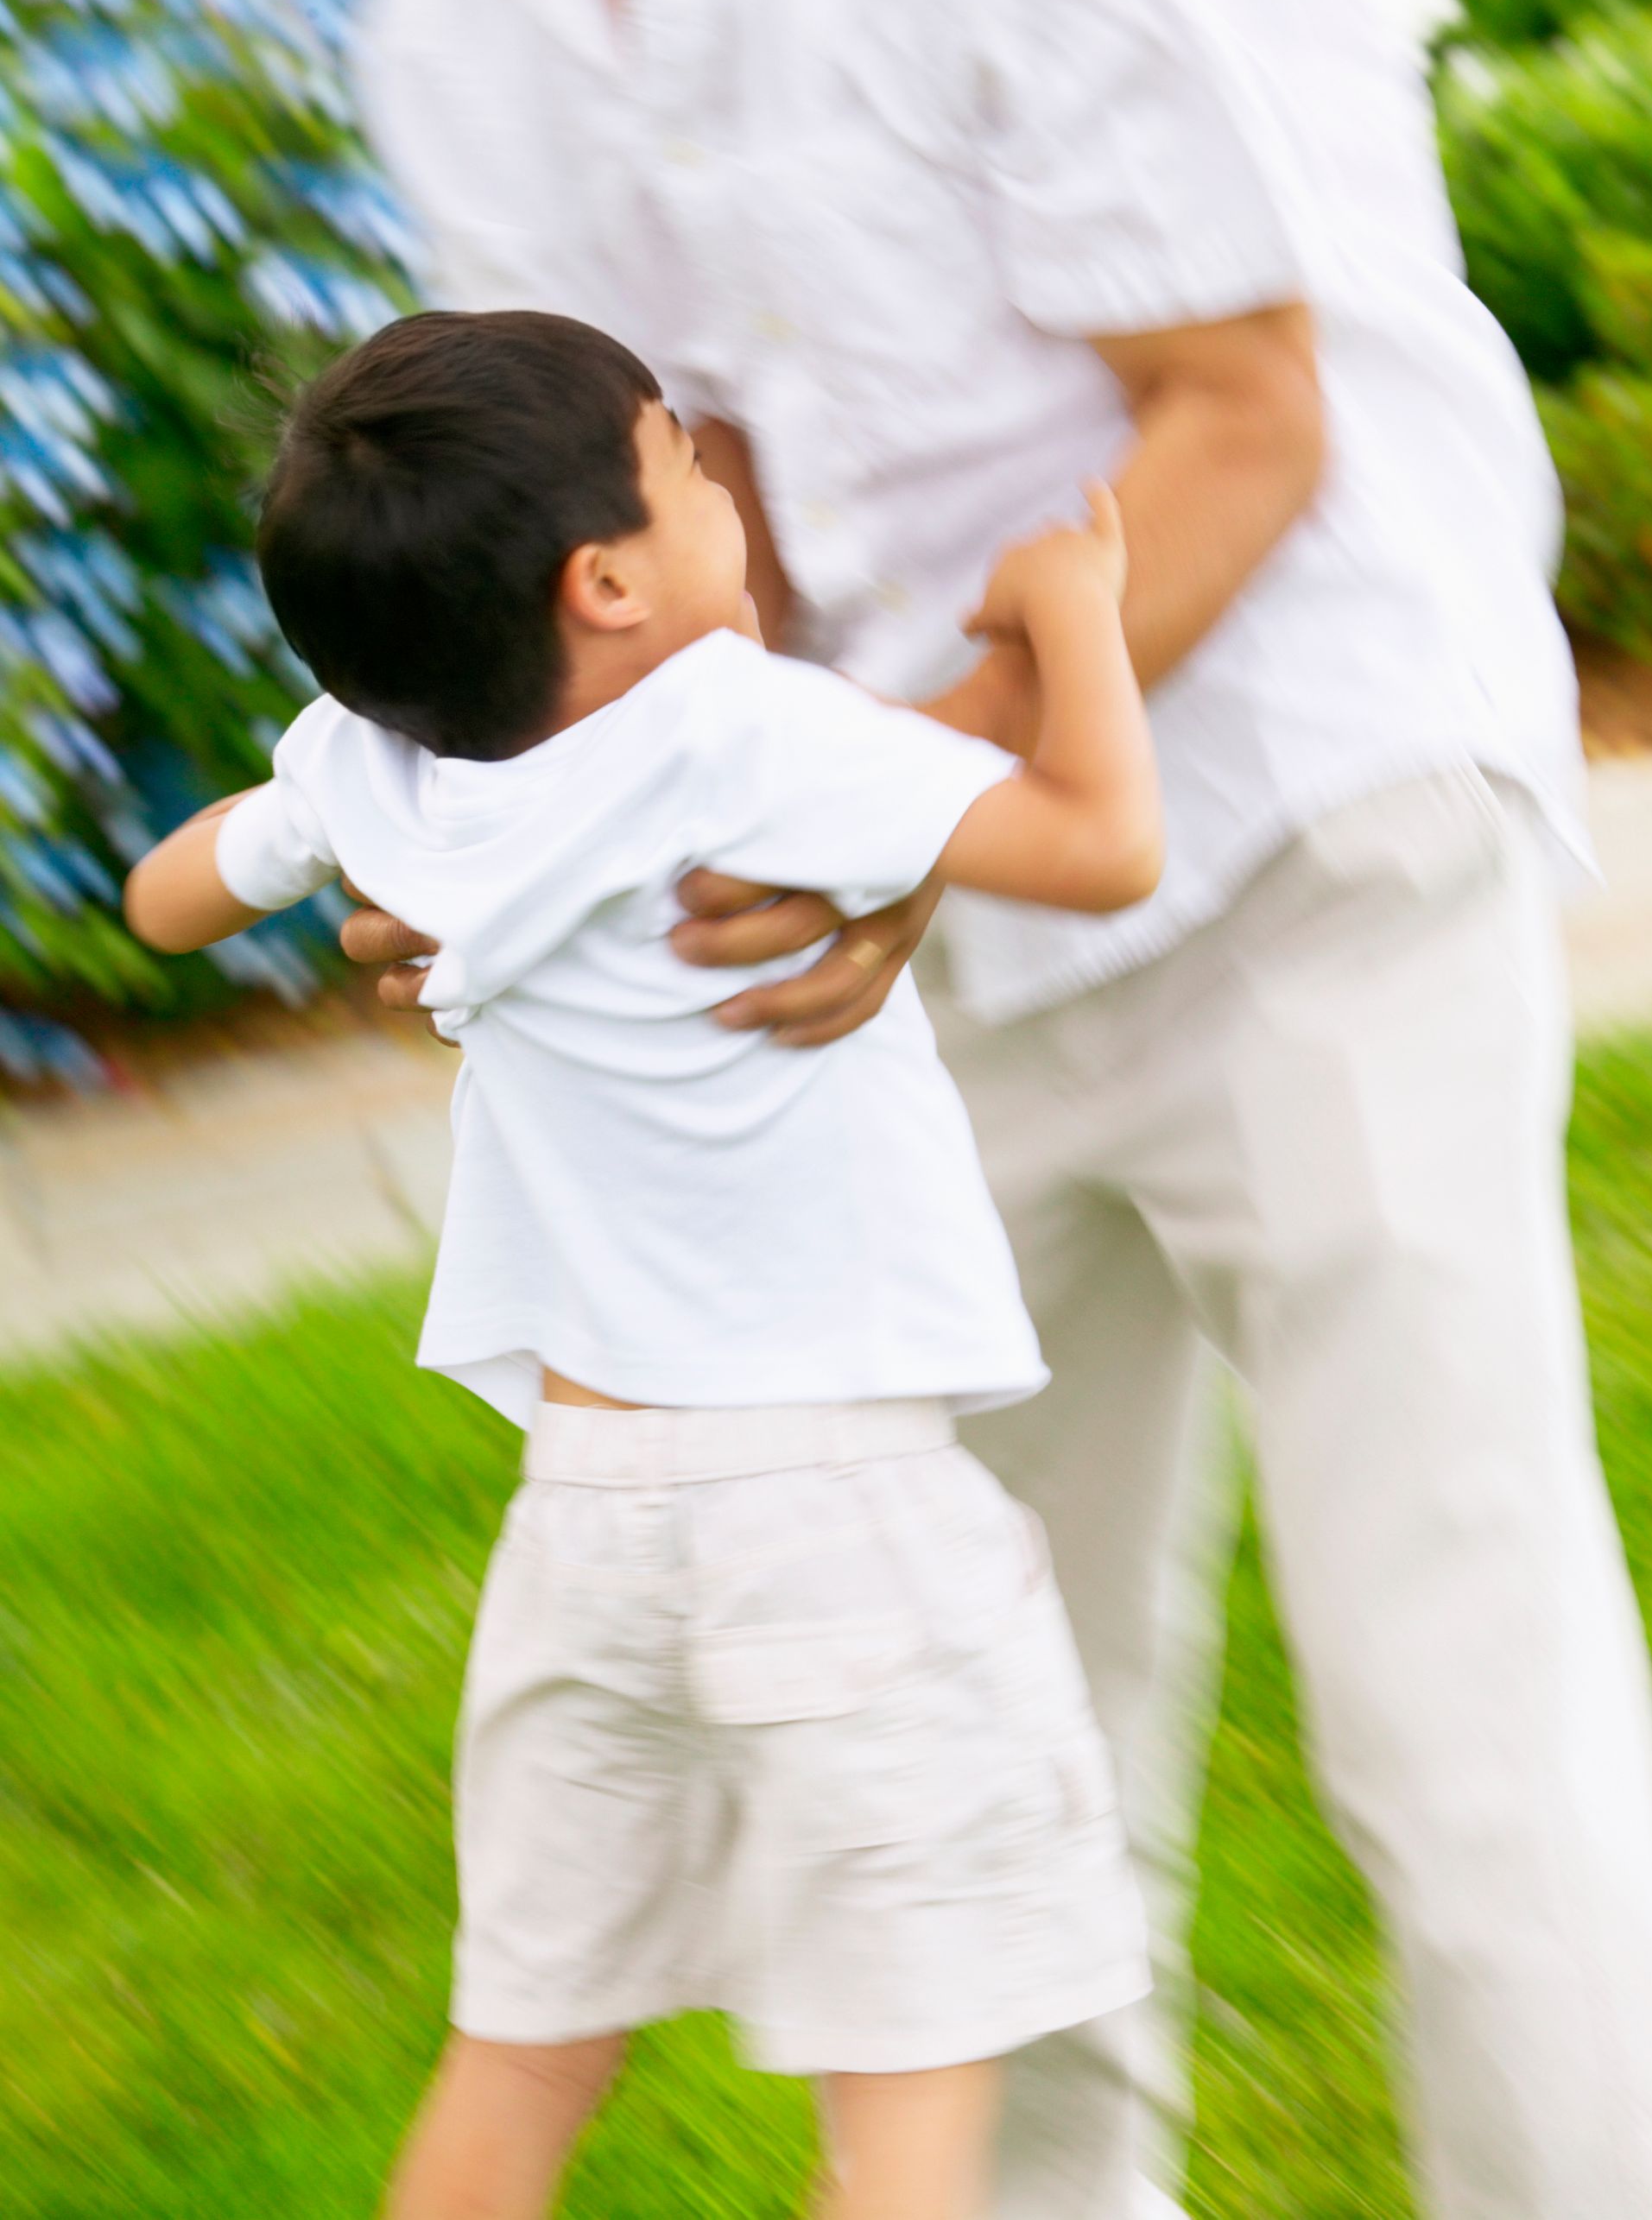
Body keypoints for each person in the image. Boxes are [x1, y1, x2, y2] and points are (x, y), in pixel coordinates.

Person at [340, 0, 1652, 2216]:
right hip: (909, 949)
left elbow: (1240, 422)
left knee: (1456, 1704)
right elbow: (654, 520)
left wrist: (880, 809)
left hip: (1307, 829)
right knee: (972, 1745)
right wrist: (511, 833)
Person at [123, 307, 1166, 2220]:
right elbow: (1103, 846)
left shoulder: (374, 765)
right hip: (843, 1514)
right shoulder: (738, 730)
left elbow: (167, 895)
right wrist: (1073, 609)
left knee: (526, 2049)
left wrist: (312, 837)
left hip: (589, 1517)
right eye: (685, 467)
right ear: (605, 580)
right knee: (911, 2077)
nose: (717, 492)